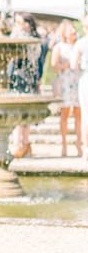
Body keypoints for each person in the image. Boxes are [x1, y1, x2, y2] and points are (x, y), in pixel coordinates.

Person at [9, 12, 48, 158]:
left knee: (24, 113)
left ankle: (21, 144)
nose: (17, 26)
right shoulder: (26, 39)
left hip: (25, 78)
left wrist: (38, 80)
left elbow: (39, 63)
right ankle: (22, 143)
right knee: (19, 113)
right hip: (21, 78)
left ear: (27, 24)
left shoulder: (33, 41)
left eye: (19, 23)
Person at [52, 20, 82, 157]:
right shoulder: (59, 47)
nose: (73, 33)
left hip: (78, 81)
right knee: (64, 114)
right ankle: (64, 144)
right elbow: (54, 65)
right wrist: (66, 65)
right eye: (71, 31)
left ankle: (79, 143)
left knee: (78, 114)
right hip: (65, 82)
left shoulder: (79, 45)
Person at [71, 15, 88, 162]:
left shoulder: (81, 43)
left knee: (85, 115)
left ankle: (86, 149)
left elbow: (73, 65)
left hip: (85, 78)